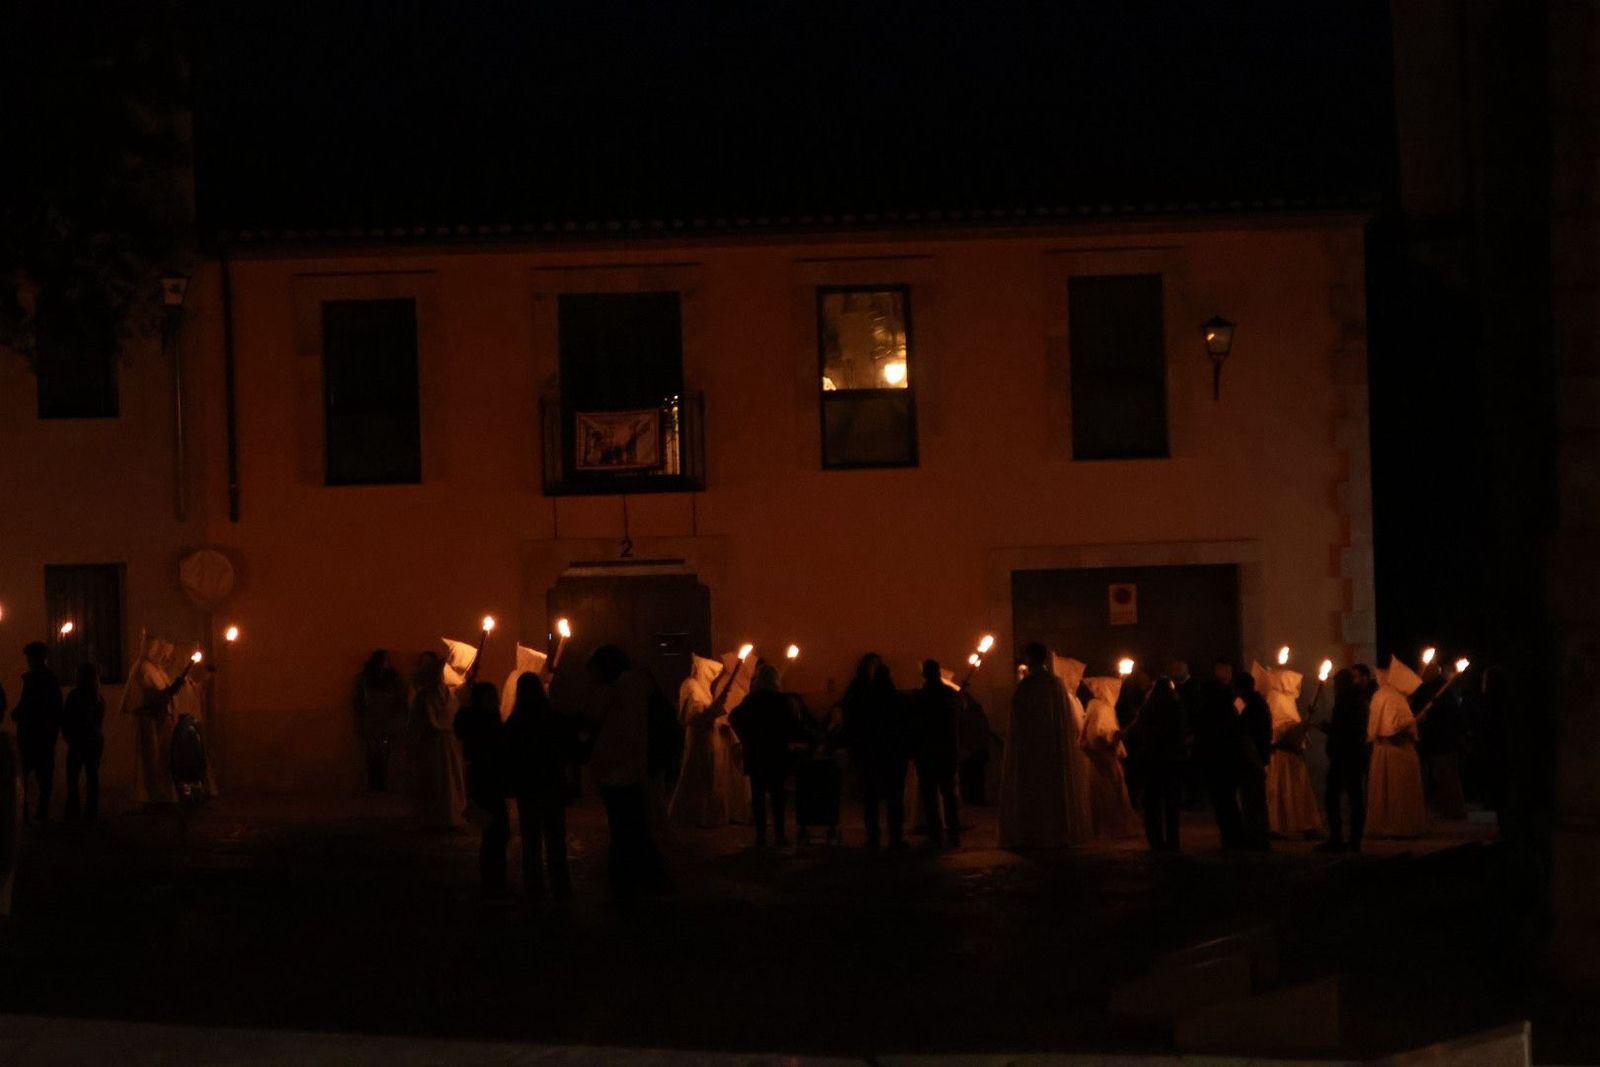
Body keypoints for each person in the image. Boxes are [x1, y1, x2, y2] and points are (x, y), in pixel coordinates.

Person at [585, 645, 671, 903]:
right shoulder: (630, 690)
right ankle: (647, 877)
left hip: (622, 771)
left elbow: (617, 734)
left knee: (627, 828)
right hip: (627, 770)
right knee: (633, 826)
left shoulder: (625, 692)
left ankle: (630, 880)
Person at [998, 643, 1084, 849]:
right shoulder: (1055, 685)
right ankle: (1053, 831)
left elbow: (1018, 721)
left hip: (1032, 751)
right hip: (1052, 751)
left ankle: (1035, 832)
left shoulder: (1028, 687)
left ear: (1029, 658)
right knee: (1051, 792)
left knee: (1034, 792)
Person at [504, 672, 577, 900]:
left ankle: (534, 887)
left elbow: (509, 754)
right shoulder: (554, 717)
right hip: (551, 783)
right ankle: (560, 887)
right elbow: (569, 748)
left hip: (528, 785)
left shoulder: (516, 721)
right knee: (555, 837)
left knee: (531, 838)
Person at [729, 662, 808, 847]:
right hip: (777, 754)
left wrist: (746, 737)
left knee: (758, 796)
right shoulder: (782, 700)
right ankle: (780, 835)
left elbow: (734, 717)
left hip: (755, 754)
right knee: (778, 796)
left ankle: (761, 835)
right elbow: (794, 726)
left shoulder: (750, 700)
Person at [840, 653, 910, 848]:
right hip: (894, 755)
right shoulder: (896, 699)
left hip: (871, 754)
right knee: (894, 798)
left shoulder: (865, 700)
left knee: (871, 798)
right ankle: (895, 836)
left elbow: (855, 724)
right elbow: (906, 725)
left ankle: (873, 836)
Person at [454, 681, 509, 895]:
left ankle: (495, 881)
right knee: (495, 833)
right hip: (485, 780)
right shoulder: (480, 723)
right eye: (489, 698)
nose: (494, 702)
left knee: (496, 834)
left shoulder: (484, 721)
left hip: (489, 780)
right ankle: (493, 884)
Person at [669, 654, 735, 827]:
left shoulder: (702, 689)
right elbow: (695, 716)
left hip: (708, 738)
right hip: (698, 739)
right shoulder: (691, 686)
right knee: (696, 776)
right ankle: (692, 815)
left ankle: (707, 816)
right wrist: (714, 709)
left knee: (708, 777)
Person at [1366, 656, 1428, 838]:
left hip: (1382, 751)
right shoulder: (1393, 697)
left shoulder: (1379, 694)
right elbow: (1398, 727)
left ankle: (1383, 824)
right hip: (1398, 753)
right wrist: (1417, 719)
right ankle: (1400, 826)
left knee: (1384, 791)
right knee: (1398, 791)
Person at [1260, 662, 1324, 837]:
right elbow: (1282, 730)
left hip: (1291, 754)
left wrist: (1304, 724)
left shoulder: (1285, 699)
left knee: (1293, 789)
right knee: (1284, 790)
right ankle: (1279, 825)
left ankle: (1298, 824)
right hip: (1282, 755)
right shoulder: (1277, 699)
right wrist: (1301, 726)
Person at [1124, 677, 1187, 851]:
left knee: (1153, 802)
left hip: (1152, 759)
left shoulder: (1148, 709)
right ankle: (1173, 841)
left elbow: (1134, 731)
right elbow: (1181, 731)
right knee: (1171, 803)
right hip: (1172, 760)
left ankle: (1156, 841)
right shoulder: (1176, 708)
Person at [409, 651, 466, 830]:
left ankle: (452, 815)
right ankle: (435, 816)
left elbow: (454, 713)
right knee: (437, 780)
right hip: (432, 743)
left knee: (450, 780)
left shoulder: (449, 694)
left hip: (448, 743)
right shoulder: (424, 696)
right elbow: (418, 720)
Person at [1081, 672, 1140, 838]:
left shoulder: (1097, 706)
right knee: (1110, 792)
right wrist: (1113, 737)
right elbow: (1098, 734)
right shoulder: (1102, 708)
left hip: (1101, 757)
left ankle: (1107, 825)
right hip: (1105, 758)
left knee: (1107, 792)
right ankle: (1113, 827)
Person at [910, 660, 963, 847]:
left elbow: (914, 725)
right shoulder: (951, 695)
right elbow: (958, 721)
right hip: (947, 751)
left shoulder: (920, 697)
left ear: (924, 675)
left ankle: (935, 832)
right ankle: (954, 831)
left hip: (926, 752)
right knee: (949, 793)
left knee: (930, 795)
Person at [1316, 667, 1370, 852]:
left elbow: (1346, 730)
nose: (1334, 687)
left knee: (1339, 797)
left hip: (1346, 756)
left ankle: (1341, 839)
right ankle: (1349, 840)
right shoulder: (1356, 699)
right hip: (1350, 754)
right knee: (1351, 797)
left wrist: (1328, 729)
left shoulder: (1348, 701)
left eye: (1336, 683)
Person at [1193, 661, 1245, 848]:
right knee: (1226, 801)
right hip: (1225, 760)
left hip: (1219, 761)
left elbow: (1207, 736)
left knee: (1224, 801)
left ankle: (1233, 837)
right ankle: (1233, 836)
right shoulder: (1226, 710)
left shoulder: (1212, 712)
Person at [121, 637, 177, 806]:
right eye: (163, 652)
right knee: (151, 759)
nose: (166, 657)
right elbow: (154, 696)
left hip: (159, 721)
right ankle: (153, 796)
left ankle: (162, 794)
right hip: (149, 721)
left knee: (161, 759)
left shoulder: (156, 669)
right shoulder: (144, 668)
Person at [14, 642, 63, 824]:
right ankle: (40, 812)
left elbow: (28, 706)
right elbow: (56, 708)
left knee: (28, 775)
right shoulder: (50, 680)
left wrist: (18, 714)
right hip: (44, 736)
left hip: (32, 735)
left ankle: (27, 812)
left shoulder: (34, 681)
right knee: (44, 776)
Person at [1051, 655, 1096, 843]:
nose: (1078, 682)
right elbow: (1078, 727)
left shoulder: (1074, 699)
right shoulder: (1067, 699)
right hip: (1074, 751)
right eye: (1076, 678)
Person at [1415, 662, 1468, 820]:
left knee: (1446, 776)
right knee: (1439, 777)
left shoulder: (1444, 691)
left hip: (1441, 741)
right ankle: (1447, 808)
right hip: (1433, 740)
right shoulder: (1427, 689)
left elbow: (1451, 714)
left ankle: (1455, 810)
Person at [353, 650, 408, 792]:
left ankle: (380, 784)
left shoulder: (391, 679)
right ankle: (376, 785)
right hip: (375, 722)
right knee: (374, 754)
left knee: (381, 754)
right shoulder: (367, 679)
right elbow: (358, 700)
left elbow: (400, 699)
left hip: (382, 722)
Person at [61, 663, 106, 822]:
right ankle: (91, 812)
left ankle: (73, 811)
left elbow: (67, 718)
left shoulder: (75, 696)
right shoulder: (98, 697)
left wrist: (68, 734)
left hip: (79, 741)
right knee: (92, 776)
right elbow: (98, 720)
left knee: (73, 777)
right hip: (94, 741)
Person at [1233, 672, 1273, 849]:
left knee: (1252, 799)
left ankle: (1256, 837)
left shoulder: (1253, 707)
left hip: (1252, 757)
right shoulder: (1258, 704)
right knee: (1254, 798)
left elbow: (1248, 733)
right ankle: (1258, 835)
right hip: (1257, 755)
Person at [956, 684, 995, 805]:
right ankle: (974, 798)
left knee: (974, 776)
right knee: (973, 776)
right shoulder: (972, 710)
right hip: (973, 750)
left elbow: (975, 731)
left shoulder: (971, 711)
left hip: (974, 750)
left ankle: (974, 798)